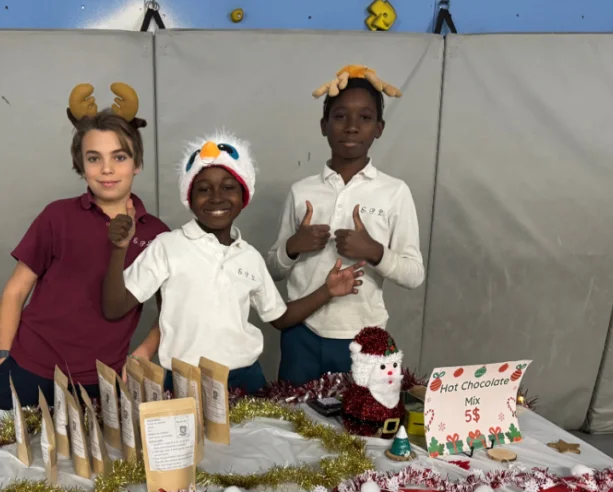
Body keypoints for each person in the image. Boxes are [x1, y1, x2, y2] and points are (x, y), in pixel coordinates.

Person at [101, 132, 363, 395]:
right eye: (203, 189)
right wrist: (119, 249)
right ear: (189, 198)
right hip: (185, 381)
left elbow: (280, 317)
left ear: (243, 196)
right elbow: (114, 307)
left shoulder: (250, 257)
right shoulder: (167, 246)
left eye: (228, 187)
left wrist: (327, 291)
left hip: (245, 380)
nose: (216, 197)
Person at [0, 82, 169, 408]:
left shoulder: (157, 234)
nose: (107, 169)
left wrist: (143, 352)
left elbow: (172, 308)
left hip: (103, 383)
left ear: (137, 163)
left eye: (119, 157)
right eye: (94, 158)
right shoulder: (56, 216)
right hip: (28, 371)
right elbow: (16, 289)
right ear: (81, 166)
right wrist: (2, 361)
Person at [266, 64, 425, 386]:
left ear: (379, 128)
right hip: (301, 332)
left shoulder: (394, 192)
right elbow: (273, 270)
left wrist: (374, 251)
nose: (352, 127)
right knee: (293, 414)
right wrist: (292, 247)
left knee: (358, 416)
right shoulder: (302, 191)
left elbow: (414, 274)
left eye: (364, 117)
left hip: (364, 335)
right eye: (340, 116)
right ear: (324, 126)